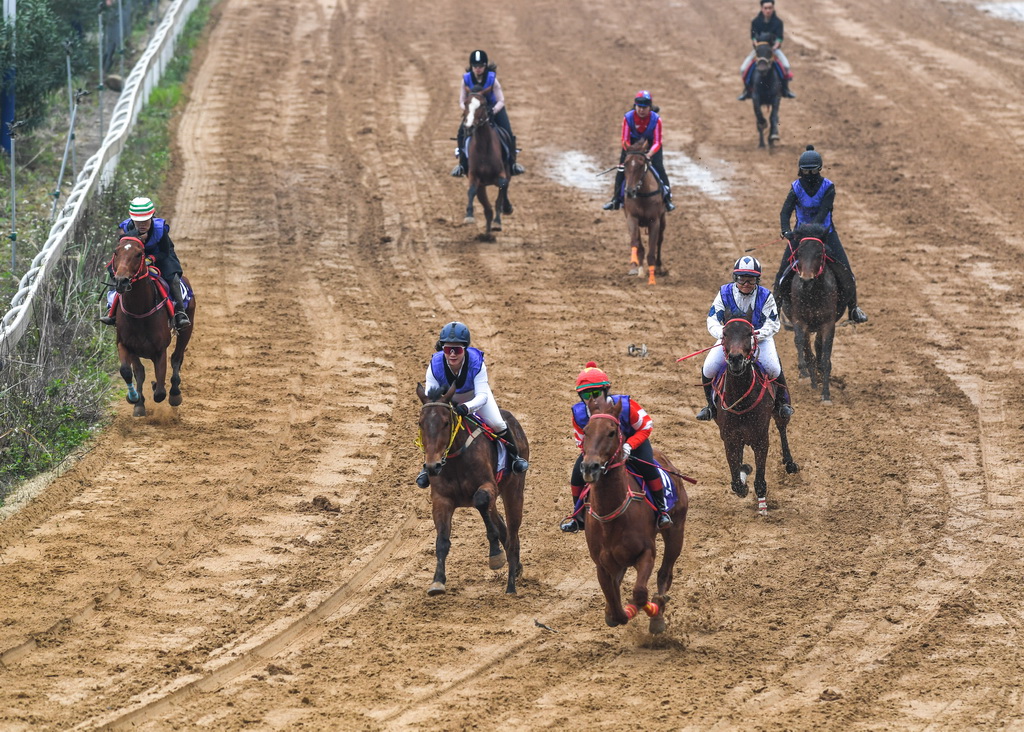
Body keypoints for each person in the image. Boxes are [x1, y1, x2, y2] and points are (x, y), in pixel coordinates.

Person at [559, 362, 672, 533]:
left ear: (606, 390)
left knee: (648, 467)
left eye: (596, 393)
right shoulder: (579, 414)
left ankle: (661, 510)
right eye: (586, 395)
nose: (592, 399)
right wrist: (592, 454)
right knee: (577, 475)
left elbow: (646, 426)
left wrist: (629, 446)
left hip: (633, 444)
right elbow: (581, 441)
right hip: (601, 449)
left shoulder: (626, 405)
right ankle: (577, 516)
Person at [415, 321, 529, 488]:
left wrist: (467, 407)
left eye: (457, 350)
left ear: (465, 349)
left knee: (497, 423)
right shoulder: (435, 365)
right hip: (448, 399)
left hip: (475, 395)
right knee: (433, 427)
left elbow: (482, 395)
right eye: (447, 349)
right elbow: (432, 397)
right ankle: (427, 467)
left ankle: (515, 458)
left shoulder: (476, 362)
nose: (452, 354)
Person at [774, 145, 869, 323]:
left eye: (813, 171)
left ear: (819, 169)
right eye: (806, 171)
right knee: (782, 273)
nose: (809, 174)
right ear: (801, 170)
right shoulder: (795, 187)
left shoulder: (828, 187)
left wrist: (810, 231)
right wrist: (786, 230)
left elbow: (823, 213)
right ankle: (775, 310)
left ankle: (853, 309)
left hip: (826, 234)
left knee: (846, 271)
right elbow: (785, 212)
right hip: (800, 237)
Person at [695, 256, 794, 421]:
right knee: (709, 368)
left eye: (751, 280)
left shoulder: (766, 296)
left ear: (757, 280)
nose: (746, 284)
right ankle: (710, 407)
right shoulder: (724, 293)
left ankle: (781, 404)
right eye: (742, 279)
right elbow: (712, 319)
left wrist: (755, 335)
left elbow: (773, 324)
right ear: (735, 278)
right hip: (731, 339)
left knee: (773, 368)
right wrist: (724, 334)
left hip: (759, 339)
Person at [100, 196, 191, 331]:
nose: (142, 224)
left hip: (160, 255)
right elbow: (122, 250)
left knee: (172, 277)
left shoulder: (160, 229)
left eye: (145, 220)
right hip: (133, 256)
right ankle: (111, 311)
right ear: (132, 219)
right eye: (138, 221)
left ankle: (180, 312)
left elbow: (165, 251)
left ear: (152, 217)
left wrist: (152, 259)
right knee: (115, 273)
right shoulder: (124, 228)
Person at [450, 49, 525, 178]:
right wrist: (468, 110)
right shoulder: (466, 79)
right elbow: (462, 101)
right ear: (471, 66)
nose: (478, 69)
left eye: (480, 66)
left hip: (493, 108)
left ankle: (513, 163)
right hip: (474, 110)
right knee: (461, 132)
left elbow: (501, 100)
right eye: (475, 66)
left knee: (507, 131)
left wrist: (493, 111)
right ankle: (462, 165)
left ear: (485, 66)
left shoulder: (492, 79)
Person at [602, 90, 675, 212]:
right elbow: (624, 139)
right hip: (631, 146)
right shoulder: (628, 117)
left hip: (651, 145)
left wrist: (649, 154)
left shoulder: (656, 120)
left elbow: (657, 141)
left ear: (649, 107)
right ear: (635, 106)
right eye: (639, 107)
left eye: (644, 108)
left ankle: (667, 199)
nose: (641, 110)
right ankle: (615, 199)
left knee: (658, 167)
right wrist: (631, 152)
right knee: (622, 168)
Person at [738, 0, 796, 101]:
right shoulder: (755, 22)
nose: (768, 10)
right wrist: (759, 47)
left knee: (786, 66)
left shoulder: (778, 22)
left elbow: (779, 38)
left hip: (773, 50)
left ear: (773, 8)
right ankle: (747, 90)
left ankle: (785, 89)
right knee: (743, 69)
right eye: (766, 8)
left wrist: (774, 47)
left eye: (770, 8)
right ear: (762, 8)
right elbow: (753, 37)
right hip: (759, 51)